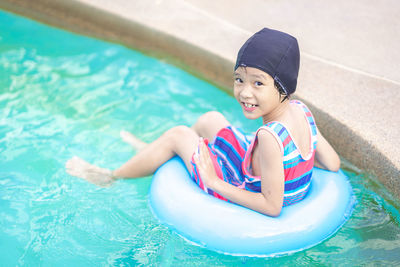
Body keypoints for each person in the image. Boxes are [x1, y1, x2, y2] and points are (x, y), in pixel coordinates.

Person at [66, 28, 340, 217]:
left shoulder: (271, 137)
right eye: (239, 79)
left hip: (241, 185)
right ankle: (153, 151)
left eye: (258, 83)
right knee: (210, 119)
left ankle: (109, 176)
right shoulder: (301, 110)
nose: (245, 92)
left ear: (282, 86)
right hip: (254, 170)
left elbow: (272, 206)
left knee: (178, 135)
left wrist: (213, 181)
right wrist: (292, 164)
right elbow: (333, 163)